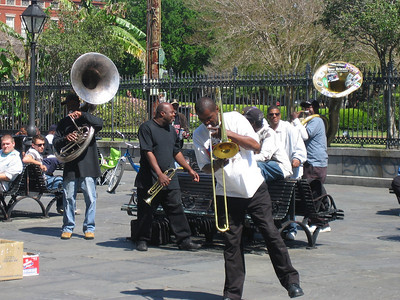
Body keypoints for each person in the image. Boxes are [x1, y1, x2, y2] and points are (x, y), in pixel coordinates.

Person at [193, 97, 303, 300]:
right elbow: (205, 167)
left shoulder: (234, 119)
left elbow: (255, 145)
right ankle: (232, 294)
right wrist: (219, 163)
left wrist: (228, 135)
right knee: (231, 244)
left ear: (217, 110)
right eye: (203, 121)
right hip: (226, 193)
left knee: (271, 233)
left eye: (210, 119)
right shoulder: (199, 134)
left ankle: (291, 282)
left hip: (253, 188)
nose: (207, 124)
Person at [134, 102, 200, 252]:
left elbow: (176, 152)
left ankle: (184, 241)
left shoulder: (171, 130)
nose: (174, 114)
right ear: (162, 113)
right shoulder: (147, 128)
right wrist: (159, 174)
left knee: (176, 209)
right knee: (146, 211)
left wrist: (189, 169)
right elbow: (148, 151)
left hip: (170, 178)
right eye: (172, 112)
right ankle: (142, 239)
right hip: (150, 178)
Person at [53, 93, 103, 240]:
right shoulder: (64, 122)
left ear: (78, 103)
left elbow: (100, 123)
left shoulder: (87, 118)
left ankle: (89, 227)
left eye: (72, 103)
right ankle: (68, 226)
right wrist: (66, 138)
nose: (70, 107)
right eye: (68, 104)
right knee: (69, 197)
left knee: (90, 198)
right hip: (71, 165)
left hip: (88, 164)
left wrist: (82, 114)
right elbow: (55, 142)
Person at [267, 105, 307, 240]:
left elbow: (300, 149)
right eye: (271, 115)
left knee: (288, 202)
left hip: (289, 173)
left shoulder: (289, 129)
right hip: (273, 172)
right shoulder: (266, 131)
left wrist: (296, 159)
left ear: (280, 115)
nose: (274, 117)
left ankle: (291, 228)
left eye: (276, 114)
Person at [291, 100, 330, 232]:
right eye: (305, 107)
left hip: (315, 162)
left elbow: (305, 135)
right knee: (317, 191)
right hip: (312, 161)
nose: (306, 109)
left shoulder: (316, 121)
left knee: (312, 191)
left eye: (309, 107)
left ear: (315, 108)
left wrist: (296, 120)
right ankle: (321, 220)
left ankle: (317, 221)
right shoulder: (308, 121)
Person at [242, 106, 292, 181]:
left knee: (253, 165)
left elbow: (264, 157)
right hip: (266, 165)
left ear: (253, 123)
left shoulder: (269, 133)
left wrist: (243, 160)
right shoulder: (252, 133)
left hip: (280, 167)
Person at [22, 134, 63, 212]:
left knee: (59, 180)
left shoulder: (34, 152)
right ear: (33, 145)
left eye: (43, 144)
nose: (42, 147)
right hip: (40, 184)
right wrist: (39, 163)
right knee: (63, 181)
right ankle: (63, 207)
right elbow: (25, 159)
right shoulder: (32, 152)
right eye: (39, 145)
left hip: (35, 182)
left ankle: (62, 206)